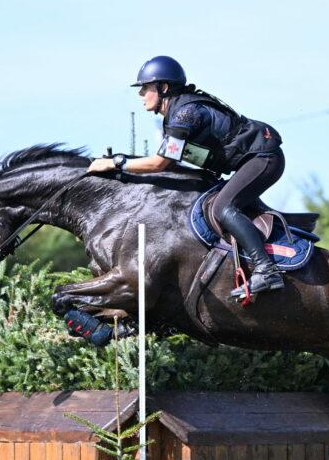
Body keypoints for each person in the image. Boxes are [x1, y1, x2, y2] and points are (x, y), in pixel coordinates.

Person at [88, 56, 285, 298]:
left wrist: (116, 162)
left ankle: (266, 270)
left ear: (164, 88)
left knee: (223, 206)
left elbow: (160, 163)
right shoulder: (177, 113)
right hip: (252, 160)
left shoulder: (184, 115)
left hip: (264, 159)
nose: (141, 94)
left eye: (146, 87)